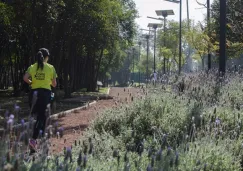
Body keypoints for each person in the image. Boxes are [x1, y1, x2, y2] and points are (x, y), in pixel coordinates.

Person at [23, 48, 57, 153]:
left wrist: (32, 82)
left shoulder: (32, 67)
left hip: (34, 94)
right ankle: (34, 140)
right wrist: (47, 81)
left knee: (38, 117)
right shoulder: (51, 68)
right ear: (46, 57)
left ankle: (37, 141)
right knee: (42, 118)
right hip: (45, 95)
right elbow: (54, 84)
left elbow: (25, 78)